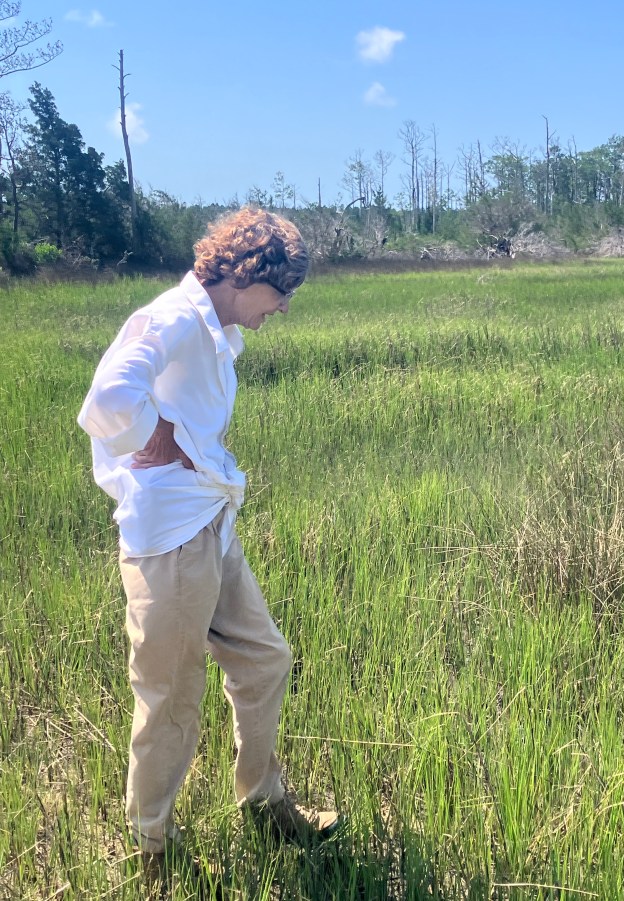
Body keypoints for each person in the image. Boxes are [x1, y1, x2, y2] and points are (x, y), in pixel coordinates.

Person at [77, 208, 340, 877]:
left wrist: (173, 435)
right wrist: (152, 432)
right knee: (171, 696)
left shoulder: (211, 327)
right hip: (169, 542)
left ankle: (263, 799)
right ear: (247, 273)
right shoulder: (173, 318)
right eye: (280, 294)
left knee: (265, 658)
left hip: (208, 525)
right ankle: (151, 849)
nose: (279, 309)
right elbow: (108, 394)